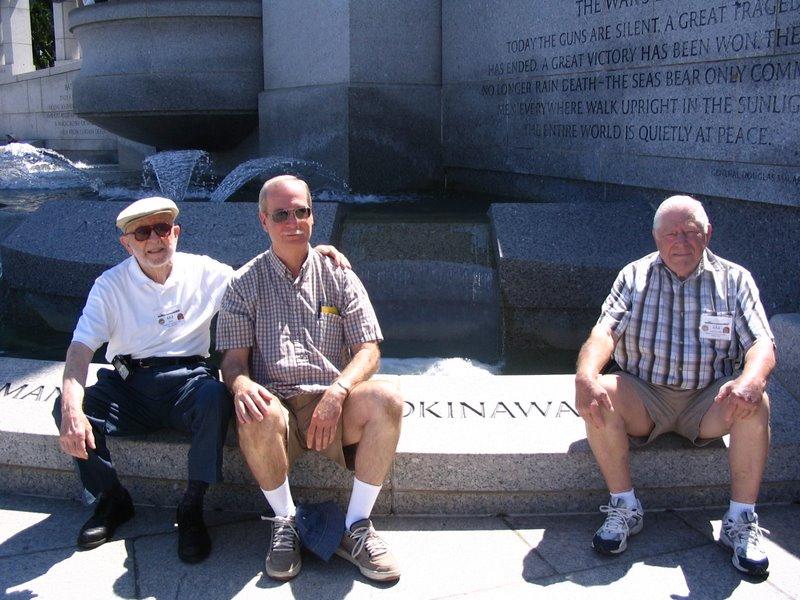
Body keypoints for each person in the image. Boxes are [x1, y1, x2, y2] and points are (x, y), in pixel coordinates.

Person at [54, 196, 348, 564]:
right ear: (126, 243)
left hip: (188, 383)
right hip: (129, 386)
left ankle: (191, 507)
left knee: (216, 395)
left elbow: (260, 276)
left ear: (175, 233)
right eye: (142, 233)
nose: (154, 240)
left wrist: (307, 254)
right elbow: (80, 350)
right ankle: (112, 499)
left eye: (162, 229)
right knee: (67, 405)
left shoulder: (205, 271)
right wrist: (71, 409)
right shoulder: (109, 285)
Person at [575, 195, 775, 576]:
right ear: (656, 238)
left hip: (708, 398)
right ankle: (625, 508)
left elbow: (761, 343)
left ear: (707, 234)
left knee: (757, 403)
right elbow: (604, 333)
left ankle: (740, 521)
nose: (680, 242)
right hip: (645, 394)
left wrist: (751, 380)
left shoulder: (735, 279)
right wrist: (585, 375)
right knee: (600, 394)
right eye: (671, 234)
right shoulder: (633, 276)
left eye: (690, 232)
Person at [217, 175, 404, 583]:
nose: (293, 222)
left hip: (332, 406)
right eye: (281, 214)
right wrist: (241, 383)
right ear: (263, 220)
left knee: (388, 398)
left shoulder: (339, 275)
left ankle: (357, 527)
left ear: (313, 217)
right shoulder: (243, 284)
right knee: (253, 407)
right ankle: (285, 522)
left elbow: (369, 351)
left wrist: (339, 391)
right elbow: (233, 362)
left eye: (301, 211)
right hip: (278, 411)